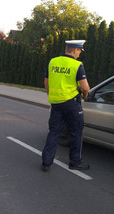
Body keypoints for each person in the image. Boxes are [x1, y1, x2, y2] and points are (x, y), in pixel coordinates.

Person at [41, 40, 90, 172]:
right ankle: (75, 162)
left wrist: (51, 95)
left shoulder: (53, 62)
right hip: (72, 104)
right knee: (76, 132)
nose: (79, 54)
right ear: (74, 50)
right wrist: (85, 95)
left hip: (56, 103)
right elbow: (85, 87)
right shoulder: (77, 65)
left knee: (54, 132)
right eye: (79, 51)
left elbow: (46, 82)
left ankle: (46, 162)